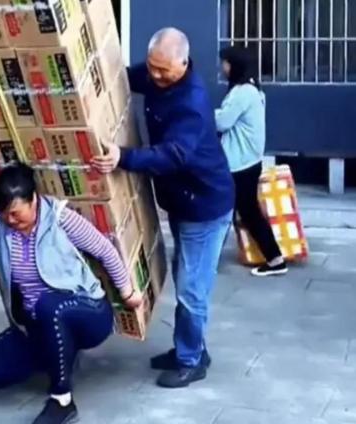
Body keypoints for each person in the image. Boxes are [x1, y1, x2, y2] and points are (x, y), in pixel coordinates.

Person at [91, 28, 235, 389]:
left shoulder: (191, 103)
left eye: (163, 70)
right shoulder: (158, 73)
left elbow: (173, 155)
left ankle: (190, 361)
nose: (154, 76)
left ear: (183, 63)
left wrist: (123, 157)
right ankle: (190, 348)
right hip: (182, 203)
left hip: (205, 206)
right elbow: (125, 77)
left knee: (191, 289)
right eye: (152, 66)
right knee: (183, 275)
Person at [0, 163, 139, 424]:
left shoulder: (59, 217)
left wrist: (128, 292)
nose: (10, 220)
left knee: (49, 306)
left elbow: (104, 249)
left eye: (16, 213)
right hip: (35, 324)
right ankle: (59, 354)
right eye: (5, 215)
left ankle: (62, 400)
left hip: (87, 311)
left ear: (33, 199)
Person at [216, 45, 288, 277]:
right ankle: (274, 258)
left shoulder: (242, 92)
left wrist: (202, 113)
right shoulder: (252, 89)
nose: (222, 66)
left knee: (237, 210)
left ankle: (275, 259)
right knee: (243, 210)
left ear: (234, 65)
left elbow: (222, 122)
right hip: (248, 160)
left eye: (225, 62)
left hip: (239, 163)